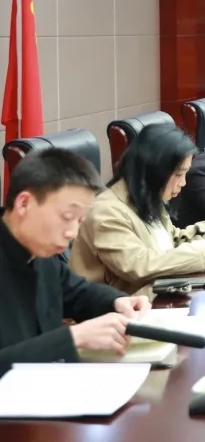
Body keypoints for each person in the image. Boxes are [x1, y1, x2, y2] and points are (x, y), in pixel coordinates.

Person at [0, 149, 151, 372]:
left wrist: (117, 301)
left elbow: (76, 291)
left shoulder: (41, 252)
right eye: (67, 217)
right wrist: (73, 337)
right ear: (24, 203)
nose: (73, 232)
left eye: (80, 221)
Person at [70, 125, 205, 295]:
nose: (183, 183)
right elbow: (141, 265)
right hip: (113, 313)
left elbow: (171, 241)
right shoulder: (106, 213)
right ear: (154, 171)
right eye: (178, 174)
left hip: (151, 300)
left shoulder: (146, 196)